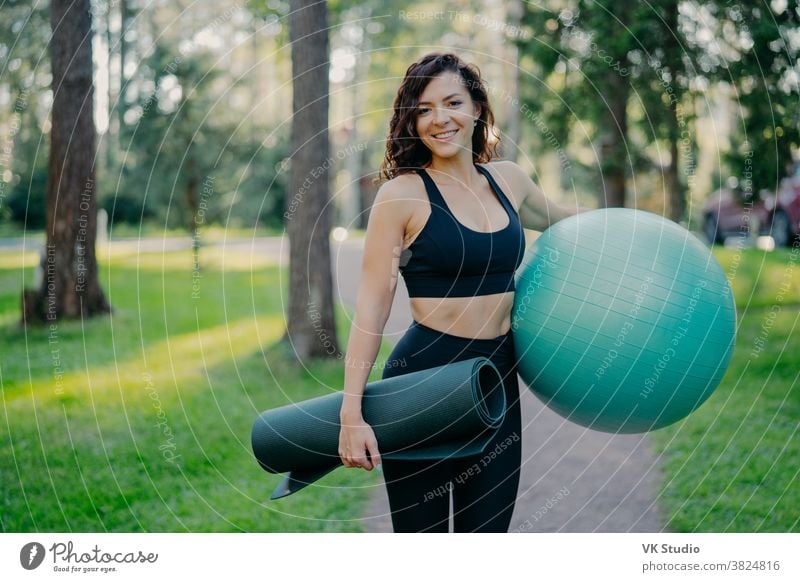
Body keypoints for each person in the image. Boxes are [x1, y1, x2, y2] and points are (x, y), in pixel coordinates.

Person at [338, 52, 580, 532]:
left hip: (496, 382)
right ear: (412, 120)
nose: (439, 118)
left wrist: (645, 235)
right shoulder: (401, 195)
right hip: (421, 385)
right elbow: (372, 306)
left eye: (452, 102)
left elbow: (577, 228)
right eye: (424, 109)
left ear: (476, 108)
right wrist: (351, 413)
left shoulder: (508, 181)